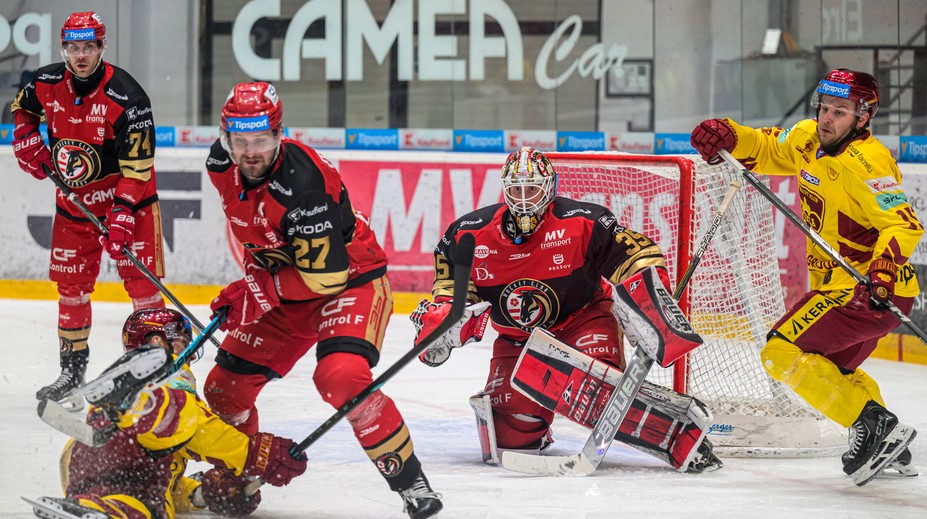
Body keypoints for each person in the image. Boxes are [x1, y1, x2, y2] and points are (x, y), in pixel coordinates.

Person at [201, 81, 442, 519]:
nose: (250, 151)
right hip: (291, 284)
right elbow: (263, 236)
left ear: (278, 134)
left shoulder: (303, 185)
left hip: (350, 280)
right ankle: (240, 472)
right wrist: (254, 284)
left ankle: (411, 482)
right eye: (240, 140)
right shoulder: (220, 163)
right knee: (224, 390)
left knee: (341, 375)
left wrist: (256, 291)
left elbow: (326, 277)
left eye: (260, 140)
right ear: (226, 137)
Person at [411, 146, 722, 473]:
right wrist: (444, 323)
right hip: (518, 339)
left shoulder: (583, 222)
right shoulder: (466, 234)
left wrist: (648, 300)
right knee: (511, 437)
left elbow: (636, 254)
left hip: (582, 322)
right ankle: (536, 427)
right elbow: (452, 296)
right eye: (516, 190)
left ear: (549, 187)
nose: (524, 198)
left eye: (531, 189)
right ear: (504, 189)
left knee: (597, 392)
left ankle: (682, 435)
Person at [690, 68, 921, 484]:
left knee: (779, 351)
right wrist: (728, 134)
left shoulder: (869, 163)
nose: (827, 118)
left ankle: (878, 430)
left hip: (867, 288)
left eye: (841, 112)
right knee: (834, 371)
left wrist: (883, 270)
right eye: (825, 108)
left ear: (863, 118)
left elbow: (903, 224)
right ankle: (891, 445)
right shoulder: (807, 139)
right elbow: (764, 146)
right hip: (855, 290)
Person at [10, 11, 166, 403]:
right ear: (64, 48)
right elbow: (22, 107)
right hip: (73, 207)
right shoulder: (46, 82)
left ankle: (151, 369)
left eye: (88, 47)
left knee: (144, 289)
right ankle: (71, 372)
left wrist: (124, 211)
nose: (80, 55)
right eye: (73, 47)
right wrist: (26, 136)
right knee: (71, 290)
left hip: (131, 205)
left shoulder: (128, 97)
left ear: (102, 47)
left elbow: (139, 168)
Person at [31, 308, 308, 519]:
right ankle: (130, 420)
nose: (188, 352)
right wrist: (253, 453)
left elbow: (168, 480)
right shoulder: (173, 375)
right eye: (181, 341)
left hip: (87, 458)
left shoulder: (142, 378)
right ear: (156, 341)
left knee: (142, 498)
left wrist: (201, 496)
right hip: (137, 443)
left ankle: (88, 508)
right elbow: (194, 426)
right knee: (171, 424)